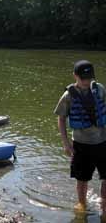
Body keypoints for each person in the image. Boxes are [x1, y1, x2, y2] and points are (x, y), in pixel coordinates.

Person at [54, 60, 106, 218]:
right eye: (83, 78)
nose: (87, 81)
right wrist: (66, 144)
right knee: (82, 179)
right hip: (81, 145)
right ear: (75, 76)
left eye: (90, 78)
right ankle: (82, 203)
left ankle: (104, 204)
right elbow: (61, 119)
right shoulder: (68, 95)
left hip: (103, 142)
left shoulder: (100, 90)